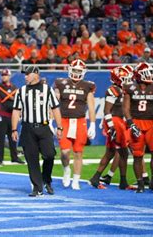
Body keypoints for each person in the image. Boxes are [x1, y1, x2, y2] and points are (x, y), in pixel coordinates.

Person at [11, 66, 63, 196]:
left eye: (28, 74)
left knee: (49, 154)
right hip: (28, 128)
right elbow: (16, 110)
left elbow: (55, 109)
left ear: (36, 74)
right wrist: (14, 129)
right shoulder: (21, 91)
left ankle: (46, 180)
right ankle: (37, 187)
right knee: (32, 159)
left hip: (44, 127)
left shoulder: (47, 90)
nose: (25, 76)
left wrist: (60, 127)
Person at [54, 59, 96, 190]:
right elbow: (54, 104)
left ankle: (76, 179)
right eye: (75, 70)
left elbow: (91, 106)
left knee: (78, 152)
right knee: (65, 152)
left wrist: (93, 124)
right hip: (65, 120)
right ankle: (66, 169)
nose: (76, 73)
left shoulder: (87, 86)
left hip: (80, 121)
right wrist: (51, 120)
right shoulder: (61, 83)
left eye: (79, 71)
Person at [89, 66, 134, 190]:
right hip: (115, 121)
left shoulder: (120, 89)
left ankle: (96, 178)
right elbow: (106, 110)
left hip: (119, 122)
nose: (128, 81)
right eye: (125, 78)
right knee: (123, 153)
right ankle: (122, 182)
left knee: (111, 152)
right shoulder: (113, 90)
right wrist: (111, 127)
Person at [123, 62, 153, 193]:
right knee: (137, 155)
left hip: (151, 123)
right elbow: (126, 109)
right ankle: (140, 183)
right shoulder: (129, 87)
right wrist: (131, 124)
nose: (150, 76)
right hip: (137, 123)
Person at [0, 69, 23, 165]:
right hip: (1, 115)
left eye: (5, 75)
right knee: (0, 138)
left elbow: (17, 101)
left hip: (11, 116)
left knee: (13, 137)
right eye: (2, 75)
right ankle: (0, 159)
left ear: (9, 76)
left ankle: (14, 157)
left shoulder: (14, 87)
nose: (3, 76)